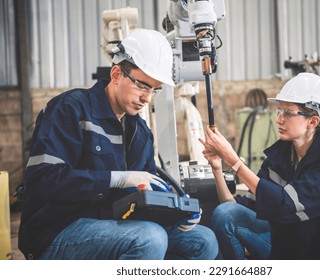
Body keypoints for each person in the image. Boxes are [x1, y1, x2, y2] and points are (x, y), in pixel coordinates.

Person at [18, 28, 218, 260]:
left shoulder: (140, 132)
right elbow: (42, 180)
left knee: (203, 240)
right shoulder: (70, 109)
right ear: (116, 75)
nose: (148, 98)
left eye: (154, 90)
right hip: (57, 231)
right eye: (142, 86)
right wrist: (117, 179)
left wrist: (175, 212)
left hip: (112, 222)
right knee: (150, 237)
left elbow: (144, 197)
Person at [200, 72, 320, 259]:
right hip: (288, 247)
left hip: (319, 256)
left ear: (313, 121)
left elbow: (287, 206)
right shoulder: (279, 157)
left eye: (288, 113)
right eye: (279, 111)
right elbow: (234, 210)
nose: (279, 119)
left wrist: (235, 161)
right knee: (224, 214)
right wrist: (217, 169)